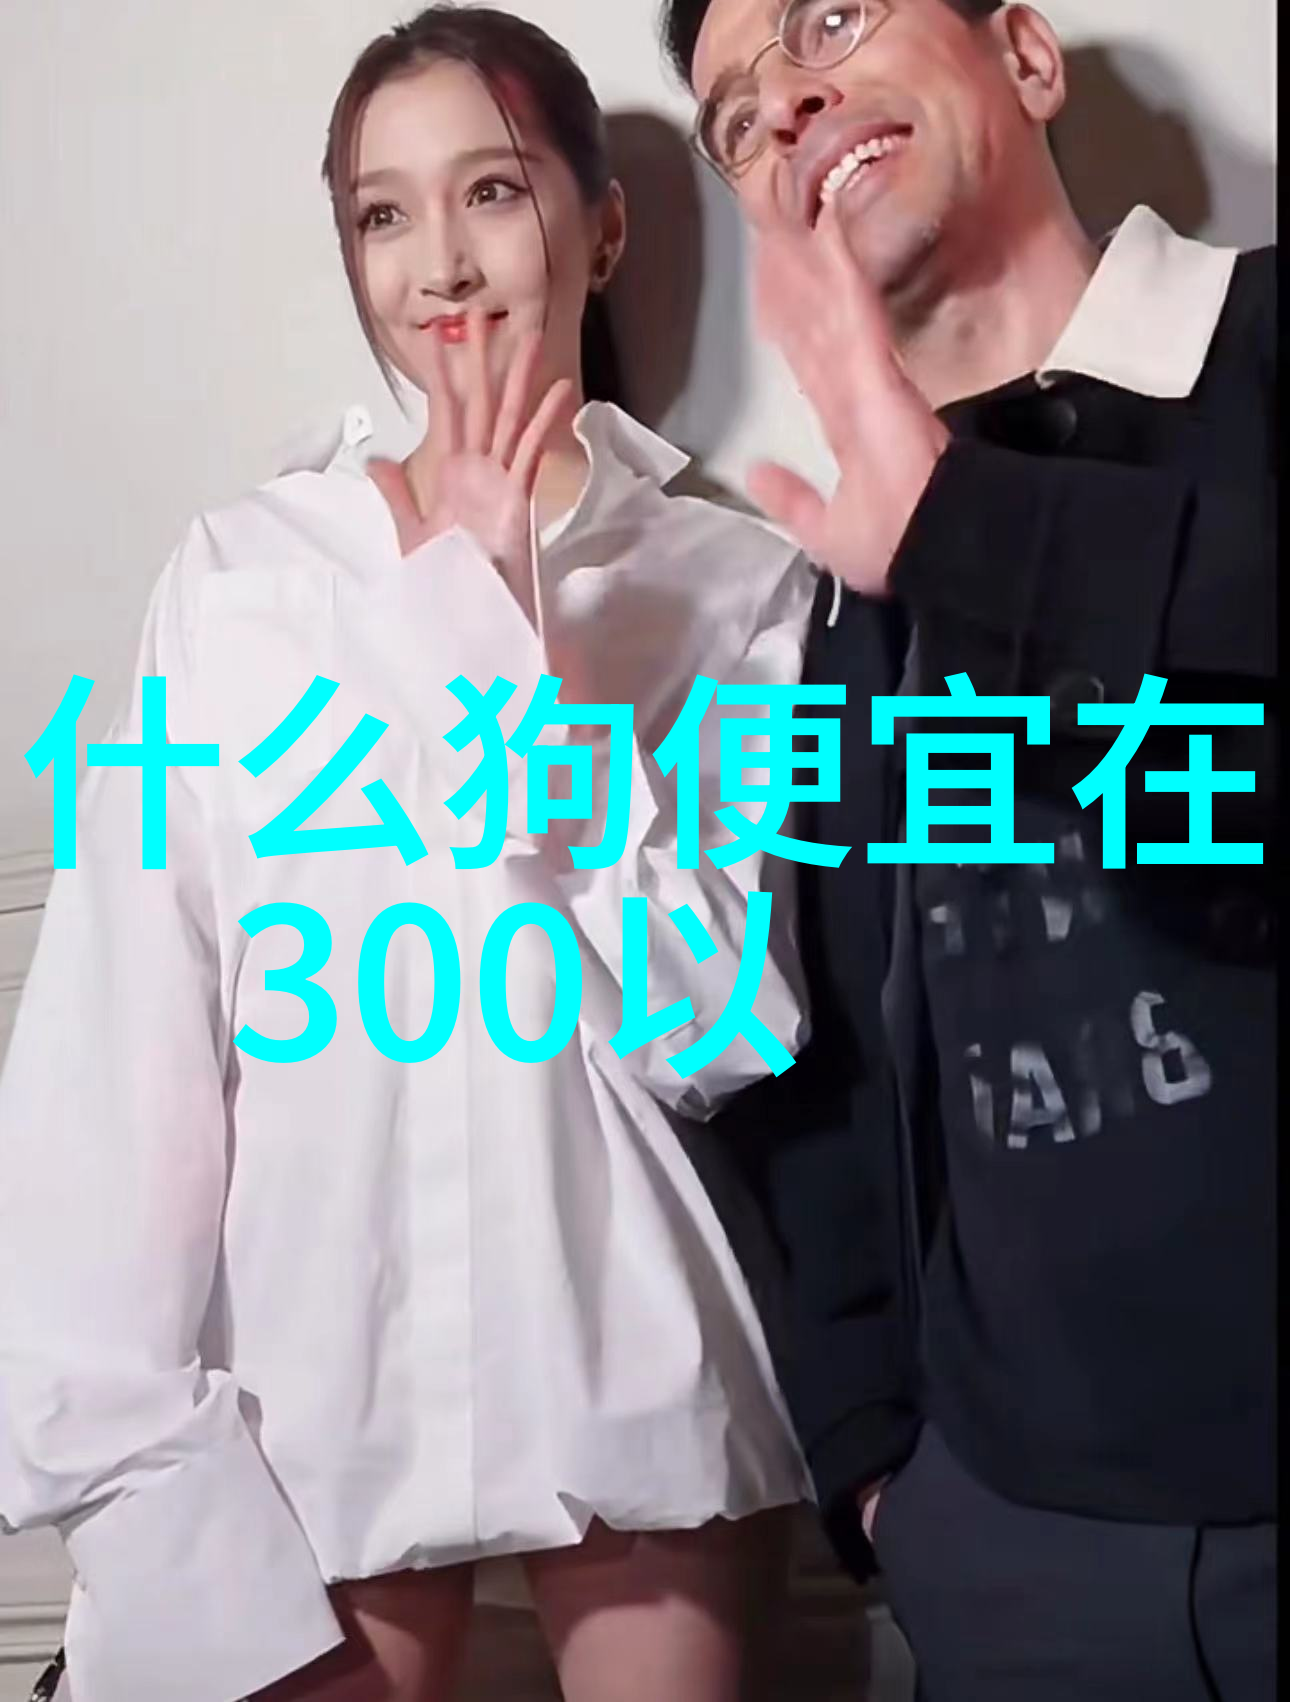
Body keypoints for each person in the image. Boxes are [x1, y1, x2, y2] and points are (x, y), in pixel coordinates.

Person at [0, 8, 823, 1700]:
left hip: (630, 1355)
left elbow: (720, 1026)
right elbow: (119, 1045)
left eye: (491, 192)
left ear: (601, 226)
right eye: (382, 213)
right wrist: (126, 1454)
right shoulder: (238, 580)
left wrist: (517, 656)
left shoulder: (737, 588)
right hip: (306, 1382)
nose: (438, 262)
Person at [659, 1, 1277, 1697]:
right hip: (1017, 1560)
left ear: (1023, 53)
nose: (789, 101)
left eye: (831, 19)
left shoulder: (1259, 349)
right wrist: (881, 1461)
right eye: (735, 117)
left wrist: (964, 529)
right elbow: (821, 1061)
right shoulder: (814, 599)